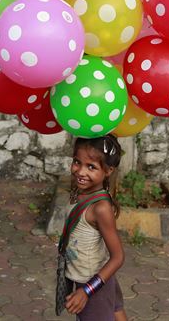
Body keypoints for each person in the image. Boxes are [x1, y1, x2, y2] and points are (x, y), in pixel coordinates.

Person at [62, 134, 128, 321]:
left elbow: (118, 257)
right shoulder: (81, 193)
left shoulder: (101, 208)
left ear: (108, 171)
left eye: (91, 167)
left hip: (93, 285)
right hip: (98, 281)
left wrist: (86, 291)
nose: (81, 172)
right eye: (77, 162)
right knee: (116, 311)